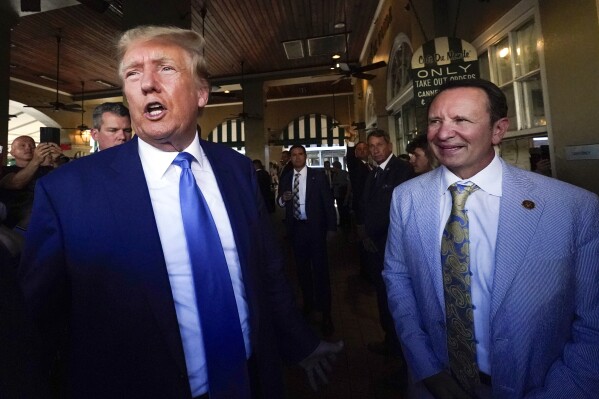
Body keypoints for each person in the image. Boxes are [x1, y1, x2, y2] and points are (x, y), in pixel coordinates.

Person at [19, 25, 342, 399]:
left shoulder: (236, 171)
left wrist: (299, 341)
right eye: (133, 73)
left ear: (202, 93)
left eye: (165, 69)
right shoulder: (68, 192)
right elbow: (34, 324)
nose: (147, 84)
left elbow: (266, 267)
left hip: (251, 380)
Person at [383, 79, 599, 398]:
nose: (443, 133)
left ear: (498, 130)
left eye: (461, 120)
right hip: (435, 384)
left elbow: (593, 323)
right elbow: (398, 279)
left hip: (537, 386)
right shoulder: (406, 198)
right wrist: (427, 369)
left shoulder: (573, 208)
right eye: (435, 121)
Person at [358, 129, 414, 358]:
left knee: (396, 299)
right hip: (376, 247)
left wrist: (371, 233)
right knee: (383, 297)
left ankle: (400, 351)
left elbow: (395, 211)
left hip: (392, 247)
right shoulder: (374, 173)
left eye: (379, 144)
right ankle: (390, 341)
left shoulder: (402, 171)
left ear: (389, 145)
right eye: (371, 146)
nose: (375, 149)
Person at [277, 145, 337, 336]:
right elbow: (279, 201)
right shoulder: (286, 178)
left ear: (306, 156)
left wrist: (331, 228)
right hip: (297, 230)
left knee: (320, 270)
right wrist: (282, 199)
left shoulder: (317, 176)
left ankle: (326, 311)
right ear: (290, 158)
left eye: (300, 154)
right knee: (302, 271)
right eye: (293, 155)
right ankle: (308, 306)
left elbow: (327, 202)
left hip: (315, 229)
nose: (297, 158)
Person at [0, 136, 62, 229]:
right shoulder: (5, 170)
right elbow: (16, 183)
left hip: (49, 216)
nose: (28, 148)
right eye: (22, 145)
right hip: (16, 223)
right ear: (12, 152)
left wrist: (56, 161)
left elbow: (63, 185)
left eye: (32, 146)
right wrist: (36, 161)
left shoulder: (46, 170)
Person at [330, 161, 350, 228]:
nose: (332, 168)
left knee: (343, 209)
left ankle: (345, 223)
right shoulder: (335, 174)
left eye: (333, 166)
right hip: (338, 194)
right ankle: (342, 222)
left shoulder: (344, 173)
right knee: (340, 209)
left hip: (342, 193)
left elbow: (347, 184)